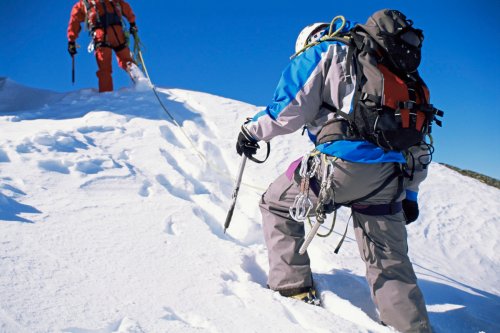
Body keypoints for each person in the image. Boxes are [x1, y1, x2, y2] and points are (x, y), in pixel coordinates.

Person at [235, 9, 438, 333]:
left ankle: (292, 289)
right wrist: (410, 194)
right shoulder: (396, 72)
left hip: (341, 167)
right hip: (390, 177)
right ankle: (411, 327)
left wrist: (251, 132)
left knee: (276, 204)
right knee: (389, 260)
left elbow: (287, 111)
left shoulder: (323, 53)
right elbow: (417, 141)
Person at [67, 0, 139, 92]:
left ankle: (106, 94)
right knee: (127, 61)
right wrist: (132, 24)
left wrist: (71, 41)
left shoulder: (83, 4)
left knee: (104, 69)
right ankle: (140, 82)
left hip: (101, 36)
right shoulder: (113, 1)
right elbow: (126, 8)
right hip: (118, 34)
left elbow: (74, 21)